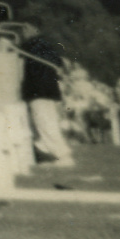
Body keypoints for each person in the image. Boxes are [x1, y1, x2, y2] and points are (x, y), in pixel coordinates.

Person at [19, 36, 74, 167]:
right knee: (44, 124)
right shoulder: (48, 47)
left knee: (45, 124)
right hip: (48, 92)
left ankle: (63, 155)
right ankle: (48, 155)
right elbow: (60, 63)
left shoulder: (30, 46)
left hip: (39, 92)